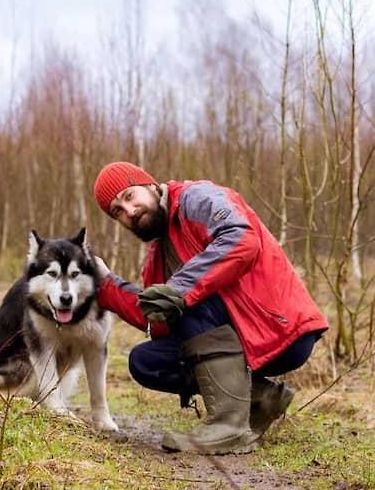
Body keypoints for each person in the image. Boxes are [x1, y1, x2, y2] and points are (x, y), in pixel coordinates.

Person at [91, 161, 329, 455]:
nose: (129, 212)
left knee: (189, 300)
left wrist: (179, 290)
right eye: (118, 212)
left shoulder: (196, 198)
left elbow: (242, 239)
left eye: (129, 196)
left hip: (277, 329)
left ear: (150, 185)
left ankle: (228, 427)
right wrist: (106, 285)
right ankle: (262, 399)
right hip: (239, 340)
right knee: (146, 361)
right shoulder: (157, 256)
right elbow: (161, 321)